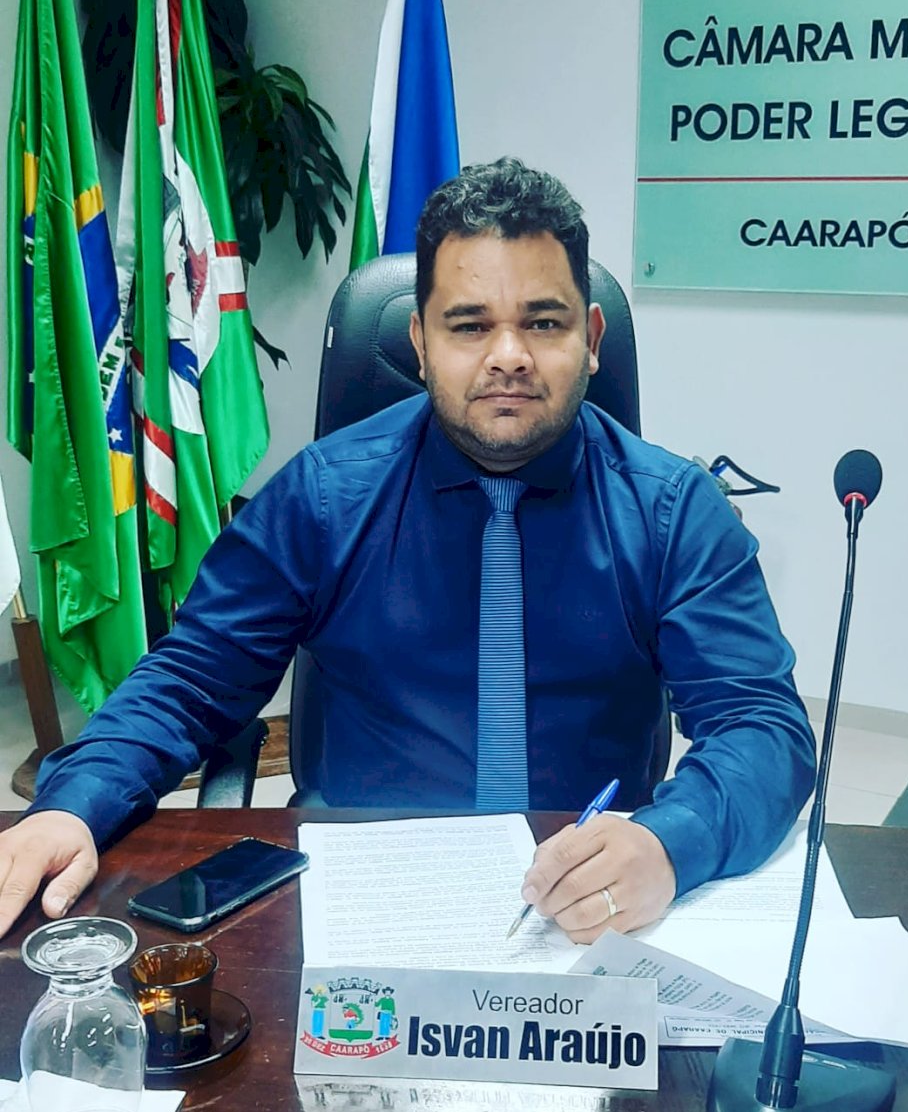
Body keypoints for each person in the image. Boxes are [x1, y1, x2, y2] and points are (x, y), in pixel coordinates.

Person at [0, 158, 815, 942]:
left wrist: (669, 841)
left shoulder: (674, 511)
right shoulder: (323, 498)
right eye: (470, 325)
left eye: (543, 322)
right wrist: (72, 806)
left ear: (592, 338)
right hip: (367, 888)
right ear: (420, 342)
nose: (509, 355)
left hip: (587, 897)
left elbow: (763, 725)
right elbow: (189, 682)